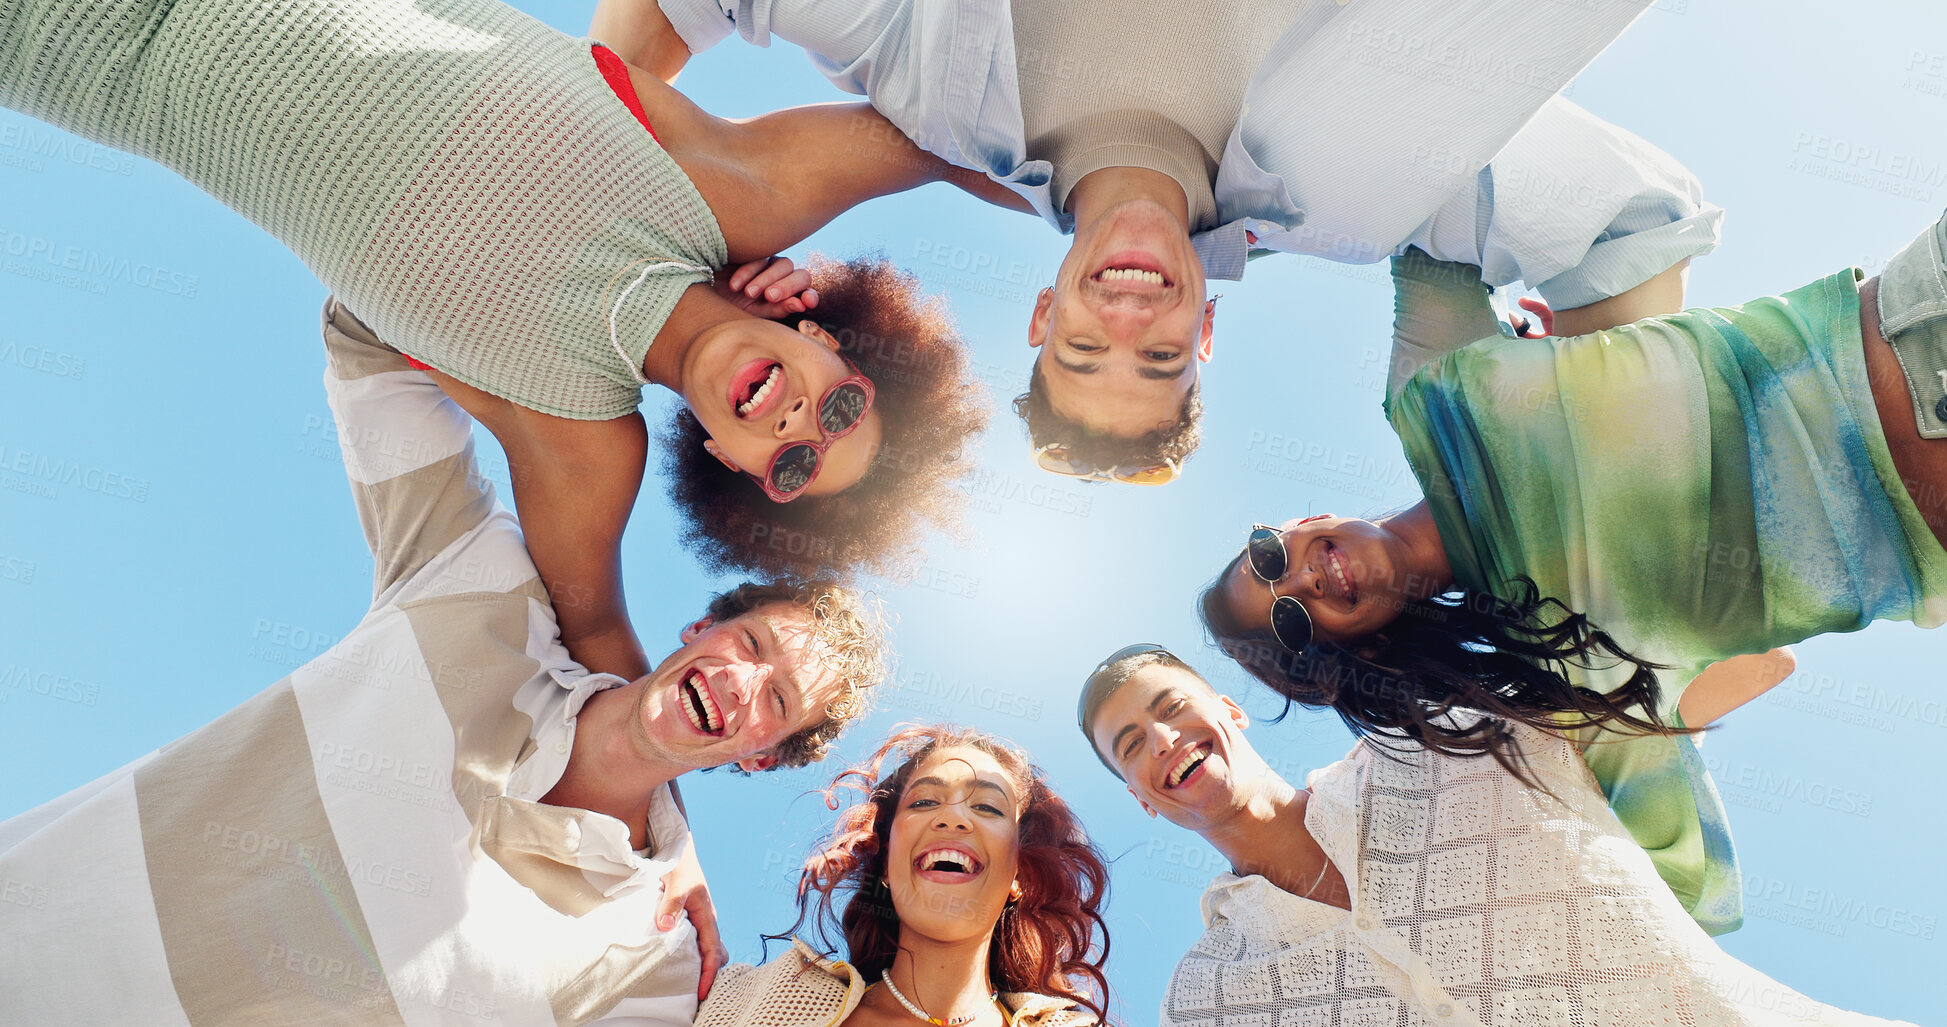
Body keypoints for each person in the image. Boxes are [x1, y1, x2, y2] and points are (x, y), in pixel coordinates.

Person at [0, 0, 995, 683]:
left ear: (732, 465)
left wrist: (669, 845)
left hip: (68, 50)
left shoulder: (579, 441)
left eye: (790, 465)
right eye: (839, 406)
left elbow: (599, 633)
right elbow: (950, 146)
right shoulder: (729, 190)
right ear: (826, 333)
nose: (793, 423)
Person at [0, 303, 889, 1024]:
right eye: (749, 644)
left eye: (776, 698)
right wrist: (706, 324)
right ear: (699, 627)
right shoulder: (477, 588)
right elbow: (367, 327)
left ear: (761, 755)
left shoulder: (649, 963)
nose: (741, 682)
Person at [1202, 208, 1947, 923]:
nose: (1298, 580)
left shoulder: (1435, 390)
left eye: (1267, 559)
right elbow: (1677, 898)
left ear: (1293, 525)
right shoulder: (1570, 675)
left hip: (1913, 321)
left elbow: (1432, 175)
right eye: (1291, 620)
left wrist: (1210, 248)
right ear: (1351, 646)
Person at [609, 0, 1719, 478]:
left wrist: (591, 162)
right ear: (1207, 333)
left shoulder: (934, 88)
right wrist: (1575, 422)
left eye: (1085, 349)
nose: (1129, 317)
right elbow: (1627, 225)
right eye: (1159, 356)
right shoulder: (1348, 191)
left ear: (1044, 316)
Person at [1077, 646, 1914, 1026]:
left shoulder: (1442, 738)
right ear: (1140, 800)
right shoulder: (1206, 998)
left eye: (1169, 706)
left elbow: (1727, 664)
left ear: (1225, 708)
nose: (1161, 740)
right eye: (1130, 745)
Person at [694, 725, 1109, 1027]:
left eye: (987, 807)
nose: (952, 818)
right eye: (925, 801)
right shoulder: (746, 998)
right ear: (888, 862)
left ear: (1020, 875)